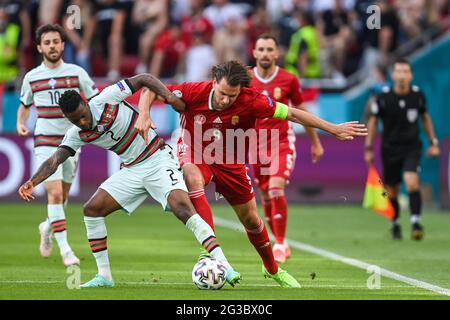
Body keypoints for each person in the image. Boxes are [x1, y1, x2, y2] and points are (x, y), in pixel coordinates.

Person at [136, 60, 367, 288]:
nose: (226, 100)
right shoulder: (193, 91)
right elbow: (150, 89)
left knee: (252, 220)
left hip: (231, 161)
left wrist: (333, 128)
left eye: (232, 96)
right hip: (195, 151)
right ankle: (210, 252)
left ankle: (273, 270)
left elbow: (293, 114)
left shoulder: (252, 100)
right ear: (214, 81)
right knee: (192, 177)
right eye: (223, 93)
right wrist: (144, 114)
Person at [18, 74, 241, 288]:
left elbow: (144, 78)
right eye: (76, 120)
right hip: (132, 169)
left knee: (182, 207)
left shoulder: (106, 98)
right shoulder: (76, 133)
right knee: (92, 210)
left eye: (83, 115)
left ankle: (226, 266)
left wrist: (167, 98)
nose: (83, 122)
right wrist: (32, 182)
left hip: (157, 158)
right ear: (69, 119)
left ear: (86, 103)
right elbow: (54, 160)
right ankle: (104, 276)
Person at [16, 24, 99, 267]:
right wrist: (21, 123)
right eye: (47, 42)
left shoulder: (77, 72)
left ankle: (47, 227)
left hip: (72, 141)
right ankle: (65, 250)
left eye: (56, 41)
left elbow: (95, 99)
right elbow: (24, 104)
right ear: (40, 47)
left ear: (63, 45)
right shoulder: (32, 77)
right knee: (53, 193)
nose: (52, 46)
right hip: (45, 139)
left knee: (62, 197)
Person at [250, 34, 324, 263]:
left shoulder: (288, 79)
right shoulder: (244, 78)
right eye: (260, 49)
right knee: (265, 194)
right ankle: (279, 239)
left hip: (281, 142)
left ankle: (280, 244)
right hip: (255, 146)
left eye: (269, 49)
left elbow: (301, 112)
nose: (264, 53)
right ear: (254, 53)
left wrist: (315, 142)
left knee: (275, 188)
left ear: (276, 53)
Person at [364, 58, 440, 240]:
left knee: (412, 181)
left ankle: (416, 222)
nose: (402, 75)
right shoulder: (383, 97)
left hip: (411, 147)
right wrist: (368, 147)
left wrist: (433, 142)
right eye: (399, 71)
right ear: (393, 74)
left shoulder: (417, 95)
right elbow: (373, 122)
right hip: (389, 148)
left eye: (406, 72)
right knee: (392, 190)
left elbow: (426, 118)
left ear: (411, 75)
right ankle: (395, 223)